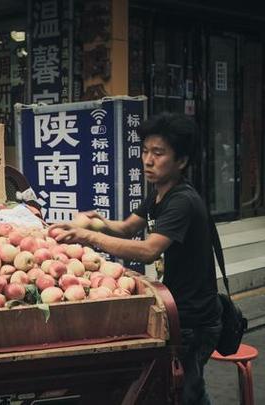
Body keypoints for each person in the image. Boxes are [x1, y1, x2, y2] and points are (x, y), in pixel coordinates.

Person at [49, 112, 222, 405]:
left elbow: (148, 250)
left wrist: (89, 237)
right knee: (180, 388)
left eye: (158, 153)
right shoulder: (159, 194)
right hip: (180, 308)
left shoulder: (182, 201)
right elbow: (128, 227)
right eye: (144, 151)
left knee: (188, 392)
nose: (147, 160)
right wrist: (95, 222)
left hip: (196, 317)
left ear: (181, 161)